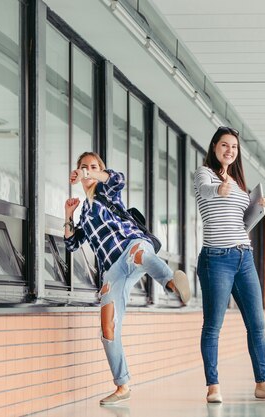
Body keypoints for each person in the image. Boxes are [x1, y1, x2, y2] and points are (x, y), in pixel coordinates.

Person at [64, 151, 191, 406]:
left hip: (132, 246)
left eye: (93, 166)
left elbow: (118, 178)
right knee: (107, 329)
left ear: (98, 171)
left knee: (139, 254)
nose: (87, 171)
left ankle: (171, 282)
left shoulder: (107, 192)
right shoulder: (85, 215)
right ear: (76, 173)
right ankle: (122, 385)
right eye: (83, 167)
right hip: (113, 270)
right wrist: (68, 214)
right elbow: (71, 244)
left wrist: (91, 174)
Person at [194, 126, 265, 404]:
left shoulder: (237, 182)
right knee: (213, 325)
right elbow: (206, 190)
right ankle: (213, 386)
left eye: (234, 147)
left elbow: (242, 222)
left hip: (243, 256)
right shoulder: (205, 174)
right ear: (214, 147)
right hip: (216, 258)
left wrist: (258, 208)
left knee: (257, 324)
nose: (229, 151)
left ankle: (263, 383)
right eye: (225, 145)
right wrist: (218, 188)